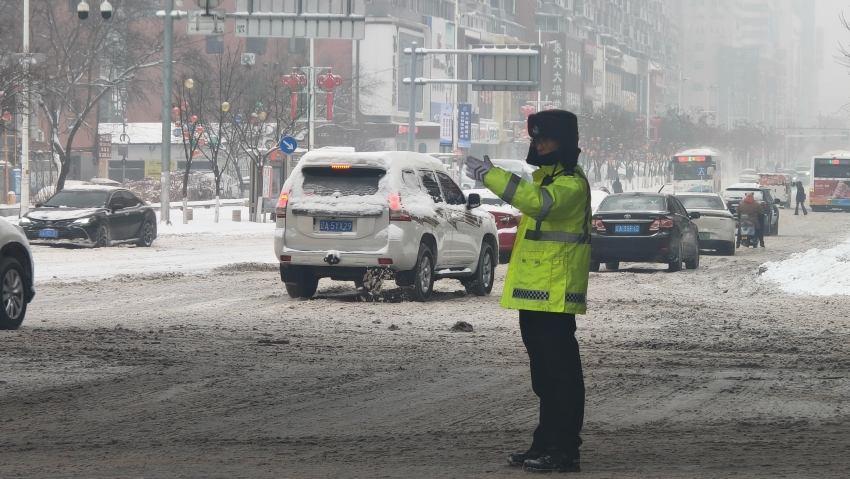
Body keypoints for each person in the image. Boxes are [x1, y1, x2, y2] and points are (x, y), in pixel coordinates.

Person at [465, 110, 590, 473]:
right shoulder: (547, 179)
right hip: (537, 295)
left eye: (546, 139)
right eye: (535, 139)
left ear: (563, 142)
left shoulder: (571, 183)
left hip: (556, 295)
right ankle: (546, 442)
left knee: (561, 376)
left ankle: (565, 449)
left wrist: (491, 176)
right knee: (545, 377)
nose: (539, 145)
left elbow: (540, 203)